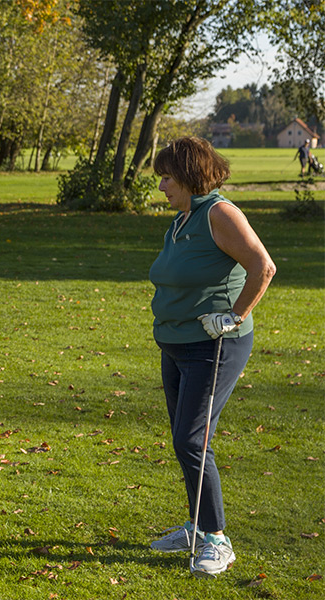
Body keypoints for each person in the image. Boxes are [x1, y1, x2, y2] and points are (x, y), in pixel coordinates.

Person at [148, 137, 276, 578]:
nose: (162, 185)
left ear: (188, 176)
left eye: (167, 176)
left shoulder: (220, 214)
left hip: (215, 346)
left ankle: (217, 539)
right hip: (177, 344)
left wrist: (234, 315)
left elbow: (263, 266)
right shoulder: (183, 218)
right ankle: (197, 526)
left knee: (191, 440)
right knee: (187, 442)